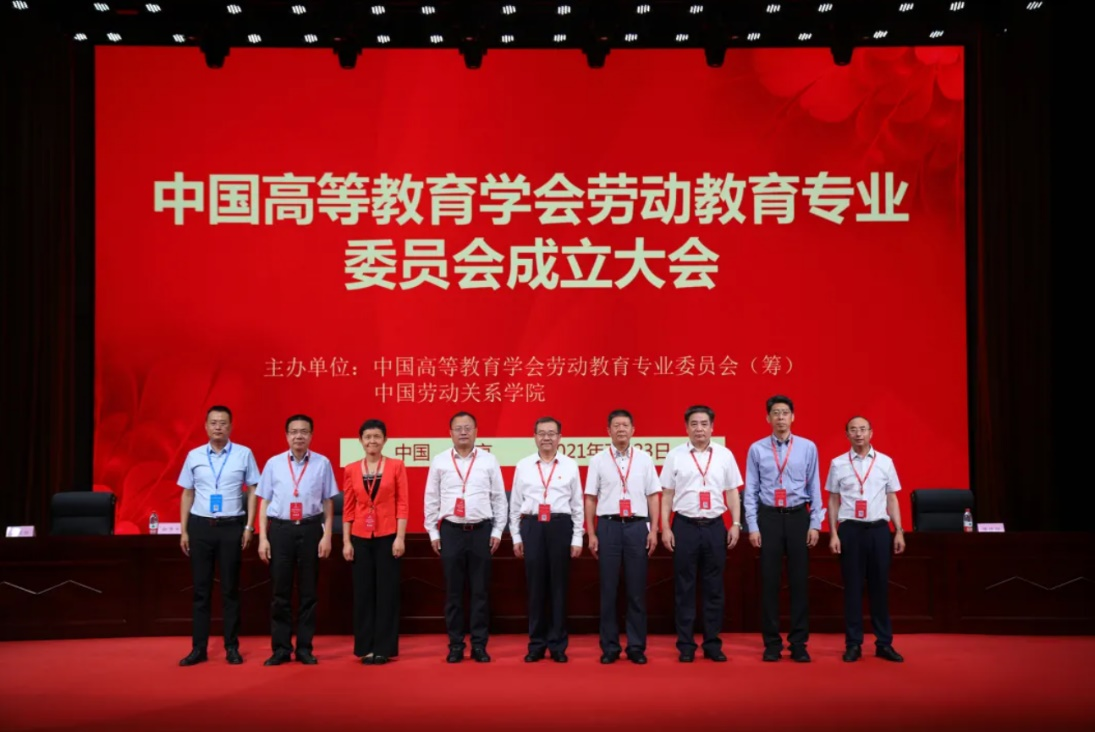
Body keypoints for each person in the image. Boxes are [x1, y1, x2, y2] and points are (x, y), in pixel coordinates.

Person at [177, 405, 260, 666]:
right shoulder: (193, 456)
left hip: (231, 527)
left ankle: (231, 647)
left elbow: (253, 491)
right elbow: (187, 493)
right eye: (213, 423)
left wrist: (249, 527)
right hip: (200, 526)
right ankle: (198, 648)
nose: (218, 427)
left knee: (230, 590)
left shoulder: (244, 454)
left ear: (230, 426)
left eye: (223, 423)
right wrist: (184, 530)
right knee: (201, 591)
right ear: (205, 426)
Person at [660, 405, 743, 663]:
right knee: (684, 588)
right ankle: (685, 645)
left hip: (714, 527)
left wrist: (736, 523)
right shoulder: (675, 456)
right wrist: (665, 527)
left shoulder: (725, 455)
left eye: (704, 424)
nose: (699, 429)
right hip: (684, 525)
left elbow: (732, 492)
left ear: (712, 427)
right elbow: (667, 495)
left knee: (714, 588)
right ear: (686, 428)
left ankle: (712, 644)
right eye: (694, 424)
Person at [743, 395, 823, 662]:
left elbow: (814, 486)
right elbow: (751, 490)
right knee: (769, 583)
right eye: (775, 413)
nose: (780, 417)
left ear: (793, 417)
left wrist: (815, 523)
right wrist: (753, 526)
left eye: (785, 412)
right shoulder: (756, 449)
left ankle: (799, 643)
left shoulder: (807, 447)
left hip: (799, 516)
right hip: (769, 518)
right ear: (768, 418)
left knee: (799, 582)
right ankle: (772, 643)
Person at [424, 411, 507, 663]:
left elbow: (499, 498)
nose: (463, 432)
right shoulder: (440, 461)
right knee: (453, 593)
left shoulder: (488, 460)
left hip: (481, 531)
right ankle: (456, 645)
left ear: (476, 432)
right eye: (458, 428)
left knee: (480, 592)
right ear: (450, 433)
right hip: (451, 531)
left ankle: (479, 645)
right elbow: (431, 498)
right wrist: (433, 531)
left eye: (468, 428)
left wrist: (497, 531)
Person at [255, 414, 337, 666]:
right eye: (293, 431)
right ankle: (281, 648)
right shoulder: (273, 463)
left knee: (308, 592)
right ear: (286, 435)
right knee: (280, 592)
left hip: (311, 530)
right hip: (280, 531)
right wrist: (263, 538)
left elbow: (328, 502)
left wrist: (327, 535)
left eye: (304, 431)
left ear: (311, 435)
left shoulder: (322, 463)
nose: (298, 436)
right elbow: (264, 501)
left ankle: (304, 647)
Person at [826, 416, 906, 663]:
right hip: (850, 530)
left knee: (880, 587)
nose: (858, 434)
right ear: (847, 435)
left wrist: (899, 530)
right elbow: (833, 499)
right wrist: (833, 533)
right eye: (853, 430)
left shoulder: (885, 462)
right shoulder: (838, 463)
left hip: (879, 530)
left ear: (871, 433)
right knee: (852, 588)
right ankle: (853, 644)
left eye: (863, 429)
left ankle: (884, 643)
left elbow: (892, 497)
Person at [584, 409, 661, 665]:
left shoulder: (645, 459)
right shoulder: (598, 460)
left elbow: (653, 496)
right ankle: (610, 647)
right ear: (608, 431)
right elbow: (590, 498)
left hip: (637, 527)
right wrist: (591, 532)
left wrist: (654, 530)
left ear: (633, 430)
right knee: (608, 590)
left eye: (625, 425)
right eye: (616, 426)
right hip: (608, 527)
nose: (620, 429)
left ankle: (636, 646)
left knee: (636, 591)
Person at [509, 417, 584, 663]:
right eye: (542, 433)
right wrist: (516, 536)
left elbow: (577, 504)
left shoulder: (570, 465)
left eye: (552, 433)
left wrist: (577, 537)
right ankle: (536, 644)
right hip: (532, 526)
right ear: (534, 437)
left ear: (560, 437)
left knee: (559, 588)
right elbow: (515, 505)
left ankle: (558, 645)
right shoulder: (524, 465)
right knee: (535, 588)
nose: (546, 438)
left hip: (560, 526)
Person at [342, 419, 409, 665]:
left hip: (388, 536)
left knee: (387, 593)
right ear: (360, 440)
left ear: (385, 440)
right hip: (360, 537)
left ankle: (384, 648)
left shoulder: (396, 466)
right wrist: (346, 541)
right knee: (363, 594)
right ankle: (365, 648)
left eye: (377, 436)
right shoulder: (351, 469)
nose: (372, 441)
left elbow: (402, 503)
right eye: (368, 437)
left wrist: (400, 537)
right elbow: (348, 508)